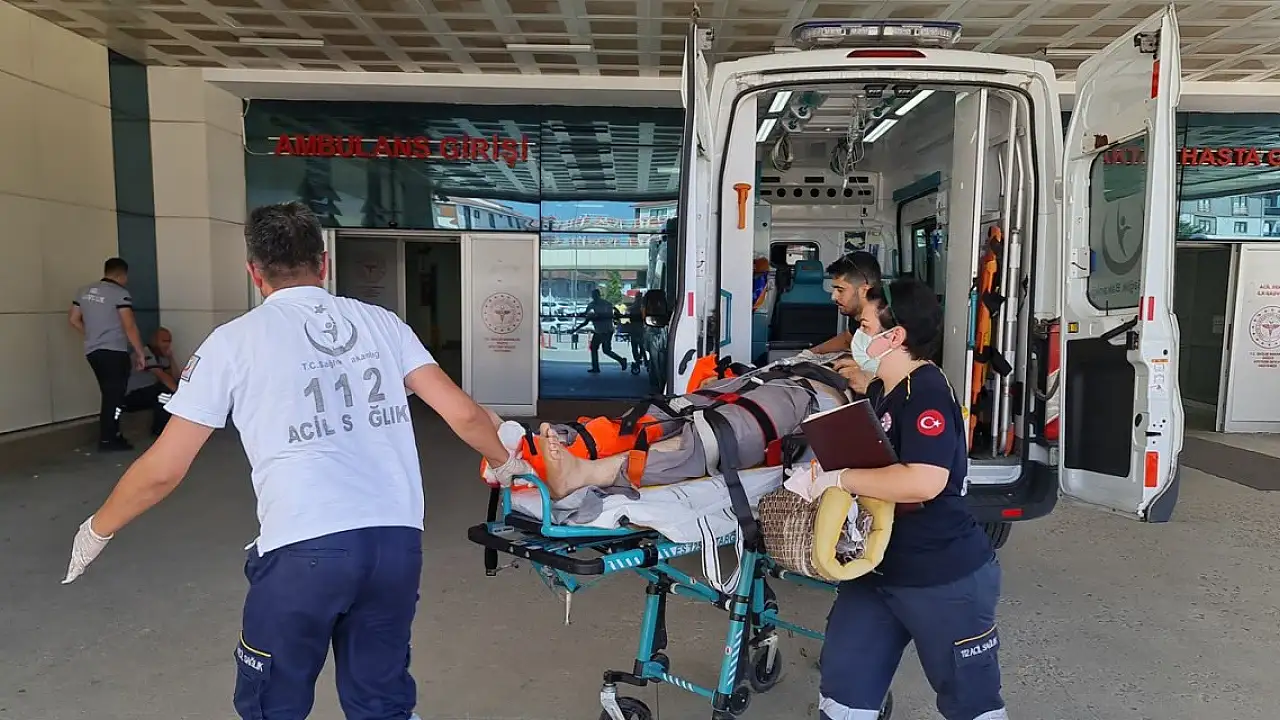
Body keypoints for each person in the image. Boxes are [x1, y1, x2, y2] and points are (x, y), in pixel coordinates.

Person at [60, 201, 532, 720]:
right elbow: (463, 415)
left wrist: (97, 530)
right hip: (395, 544)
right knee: (383, 703)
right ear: (323, 263)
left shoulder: (232, 343)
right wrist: (506, 462)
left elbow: (164, 470)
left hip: (304, 549)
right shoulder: (382, 324)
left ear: (254, 272)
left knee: (272, 705)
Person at [795, 278, 1006, 720]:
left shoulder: (927, 393)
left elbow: (924, 481)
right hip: (875, 568)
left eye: (865, 325)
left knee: (971, 702)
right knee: (843, 692)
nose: (857, 335)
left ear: (895, 337)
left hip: (940, 574)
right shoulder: (883, 390)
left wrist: (842, 479)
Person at [69, 257, 148, 451]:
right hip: (115, 351)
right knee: (115, 396)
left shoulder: (84, 291)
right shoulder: (120, 293)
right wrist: (140, 353)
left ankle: (110, 435)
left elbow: (73, 319)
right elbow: (129, 325)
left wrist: (92, 335)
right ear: (122, 274)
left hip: (93, 351)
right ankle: (109, 438)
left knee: (109, 394)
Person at [797, 251, 883, 395]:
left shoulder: (888, 319)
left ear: (864, 290)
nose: (833, 296)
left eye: (840, 290)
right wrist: (810, 354)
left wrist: (869, 371)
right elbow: (847, 339)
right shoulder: (857, 314)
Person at [122, 327, 179, 436]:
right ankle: (159, 430)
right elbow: (162, 376)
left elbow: (174, 378)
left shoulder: (161, 356)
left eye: (169, 341)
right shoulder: (145, 353)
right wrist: (179, 393)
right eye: (164, 341)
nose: (167, 344)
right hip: (131, 396)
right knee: (164, 391)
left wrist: (171, 358)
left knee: (167, 389)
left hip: (148, 393)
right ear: (154, 341)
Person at [572, 288, 628, 373]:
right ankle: (599, 366)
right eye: (593, 295)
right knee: (601, 349)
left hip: (605, 331)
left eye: (594, 295)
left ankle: (600, 366)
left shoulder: (598, 304)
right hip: (604, 330)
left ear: (597, 295)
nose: (594, 297)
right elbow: (586, 315)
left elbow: (585, 318)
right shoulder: (602, 304)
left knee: (602, 349)